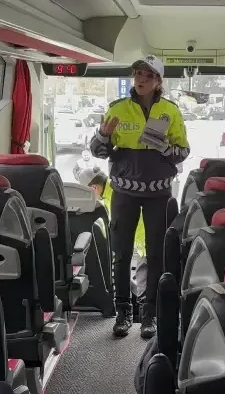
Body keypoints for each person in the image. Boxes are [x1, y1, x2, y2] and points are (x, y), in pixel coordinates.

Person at [89, 54, 190, 340]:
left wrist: (164, 149)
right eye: (138, 75)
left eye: (148, 76)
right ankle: (122, 312)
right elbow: (98, 151)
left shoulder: (170, 111)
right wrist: (103, 137)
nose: (141, 80)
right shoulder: (117, 109)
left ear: (158, 81)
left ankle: (150, 315)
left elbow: (183, 151)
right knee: (121, 253)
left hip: (159, 193)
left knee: (157, 254)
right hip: (123, 192)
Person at [77, 166, 148, 300]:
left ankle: (146, 316)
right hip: (143, 246)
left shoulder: (114, 199)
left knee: (143, 291)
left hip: (145, 248)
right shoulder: (115, 191)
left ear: (93, 188)